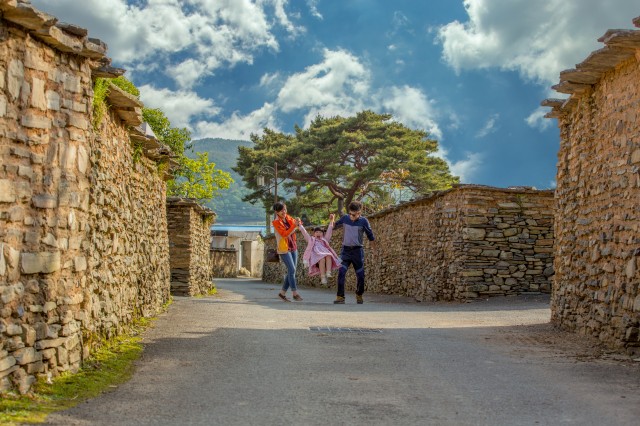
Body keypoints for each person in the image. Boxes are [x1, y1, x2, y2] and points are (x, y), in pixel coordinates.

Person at [333, 201, 375, 304]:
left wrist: (374, 251)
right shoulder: (345, 218)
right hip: (345, 251)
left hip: (357, 252)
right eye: (350, 213)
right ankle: (340, 297)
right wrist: (332, 220)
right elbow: (333, 226)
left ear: (359, 212)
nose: (351, 216)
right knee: (341, 272)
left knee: (360, 275)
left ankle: (359, 294)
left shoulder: (364, 221)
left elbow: (371, 237)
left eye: (354, 214)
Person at [298, 214, 341, 285]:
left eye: (320, 232)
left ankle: (328, 272)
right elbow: (304, 233)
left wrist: (331, 220)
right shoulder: (311, 240)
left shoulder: (325, 239)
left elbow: (329, 231)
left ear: (323, 234)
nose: (318, 233)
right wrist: (300, 225)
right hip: (316, 256)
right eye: (317, 232)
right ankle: (323, 277)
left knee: (329, 256)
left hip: (325, 254)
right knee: (322, 259)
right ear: (314, 234)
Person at [272, 202, 303, 302]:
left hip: (293, 246)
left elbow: (298, 225)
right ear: (276, 212)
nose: (284, 212)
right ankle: (295, 293)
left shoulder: (288, 218)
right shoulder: (276, 222)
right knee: (292, 270)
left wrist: (298, 222)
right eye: (281, 210)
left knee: (291, 271)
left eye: (285, 209)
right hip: (284, 249)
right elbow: (284, 234)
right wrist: (294, 226)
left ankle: (282, 293)